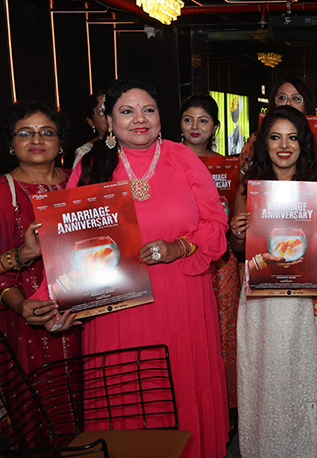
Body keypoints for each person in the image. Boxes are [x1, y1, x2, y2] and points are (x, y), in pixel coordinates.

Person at [32, 78, 231, 458]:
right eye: (127, 111)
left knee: (181, 389)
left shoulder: (182, 158)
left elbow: (215, 223)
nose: (140, 119)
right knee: (125, 397)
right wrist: (51, 302)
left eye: (148, 110)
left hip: (181, 300)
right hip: (116, 311)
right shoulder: (92, 165)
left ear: (160, 117)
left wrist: (180, 246)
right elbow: (67, 240)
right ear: (109, 120)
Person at [228, 106, 317, 456]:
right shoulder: (250, 188)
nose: (284, 145)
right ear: (265, 143)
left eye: (292, 138)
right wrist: (237, 233)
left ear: (303, 143)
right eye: (275, 137)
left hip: (305, 302)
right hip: (262, 302)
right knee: (267, 376)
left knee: (306, 376)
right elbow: (239, 250)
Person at [0, 101, 80, 373]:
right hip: (29, 321)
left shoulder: (78, 183)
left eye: (47, 132)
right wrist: (21, 304)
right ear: (11, 145)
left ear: (61, 143)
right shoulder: (4, 192)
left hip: (86, 316)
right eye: (25, 133)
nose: (36, 139)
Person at [180, 94, 240, 411]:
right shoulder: (167, 163)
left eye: (203, 120)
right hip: (181, 258)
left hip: (222, 259)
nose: (195, 126)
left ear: (215, 126)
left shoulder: (228, 166)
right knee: (189, 327)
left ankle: (225, 403)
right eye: (188, 119)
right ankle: (192, 400)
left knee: (225, 327)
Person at [240, 78, 317, 174]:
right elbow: (243, 177)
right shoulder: (255, 141)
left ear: (306, 106)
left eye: (296, 98)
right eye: (282, 98)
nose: (288, 103)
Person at [73, 91, 108, 168]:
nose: (108, 115)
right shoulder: (86, 152)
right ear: (90, 121)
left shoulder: (131, 144)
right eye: (101, 112)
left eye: (111, 109)